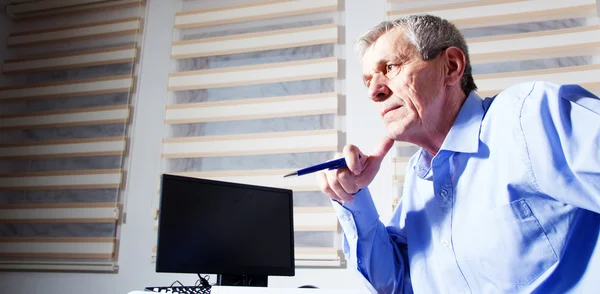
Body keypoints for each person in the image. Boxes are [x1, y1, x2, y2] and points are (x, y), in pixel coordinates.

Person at [317, 14, 600, 293]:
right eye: (368, 81)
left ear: (451, 66)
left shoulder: (530, 117)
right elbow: (395, 284)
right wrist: (352, 197)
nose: (374, 92)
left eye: (390, 67)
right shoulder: (419, 176)